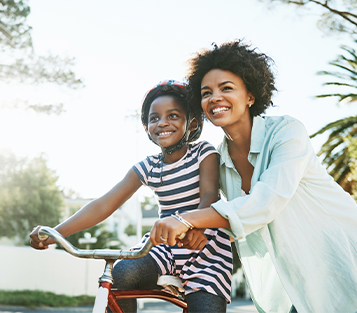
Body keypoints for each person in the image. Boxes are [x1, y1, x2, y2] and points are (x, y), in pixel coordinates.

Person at [149, 41, 357, 313]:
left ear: (250, 95)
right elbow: (238, 220)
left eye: (226, 88)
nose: (214, 98)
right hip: (294, 277)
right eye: (206, 92)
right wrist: (199, 230)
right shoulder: (218, 161)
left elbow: (265, 203)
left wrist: (185, 220)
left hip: (342, 254)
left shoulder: (287, 132)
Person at [29, 80, 233, 313]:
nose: (162, 122)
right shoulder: (148, 166)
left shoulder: (203, 152)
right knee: (122, 273)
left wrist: (197, 228)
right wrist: (56, 234)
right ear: (147, 128)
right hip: (165, 248)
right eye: (154, 118)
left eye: (173, 115)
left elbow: (210, 193)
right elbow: (104, 204)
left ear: (192, 123)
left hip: (206, 250)